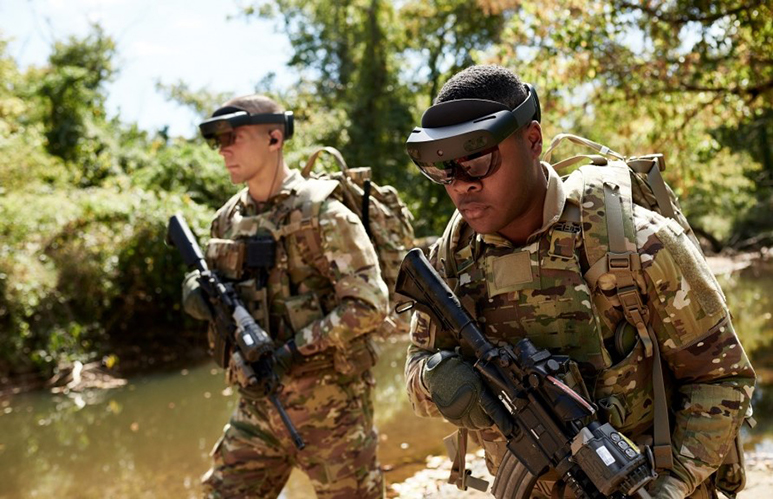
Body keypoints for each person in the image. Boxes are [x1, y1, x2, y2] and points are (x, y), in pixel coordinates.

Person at [403, 65, 755, 498]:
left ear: (531, 141)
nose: (461, 186)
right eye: (443, 170)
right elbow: (416, 369)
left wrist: (671, 486)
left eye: (477, 161)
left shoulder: (634, 242)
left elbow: (723, 379)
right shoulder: (452, 260)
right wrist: (439, 380)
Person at [182, 94, 388, 498]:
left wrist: (293, 349)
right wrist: (197, 296)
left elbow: (368, 305)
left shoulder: (324, 215)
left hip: (332, 412)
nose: (223, 149)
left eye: (233, 137)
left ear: (275, 138)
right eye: (217, 141)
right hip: (257, 407)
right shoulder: (227, 220)